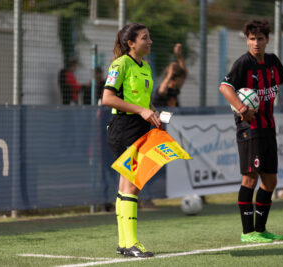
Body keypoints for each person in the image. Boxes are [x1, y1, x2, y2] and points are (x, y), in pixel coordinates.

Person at [218, 19, 283, 243]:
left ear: (267, 40)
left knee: (270, 182)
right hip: (250, 129)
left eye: (259, 39)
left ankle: (261, 229)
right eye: (251, 39)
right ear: (247, 40)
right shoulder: (243, 64)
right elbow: (224, 87)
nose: (255, 43)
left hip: (268, 128)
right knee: (250, 179)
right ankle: (248, 233)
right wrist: (241, 108)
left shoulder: (272, 61)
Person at [102, 23, 161, 257]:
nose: (150, 41)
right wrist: (140, 110)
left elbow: (143, 102)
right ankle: (131, 244)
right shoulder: (120, 64)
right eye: (145, 38)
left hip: (140, 127)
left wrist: (152, 111)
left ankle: (124, 243)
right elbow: (107, 98)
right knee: (132, 185)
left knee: (126, 185)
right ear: (131, 43)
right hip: (123, 128)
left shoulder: (145, 66)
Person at [152, 43, 187, 107]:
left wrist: (179, 56)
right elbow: (162, 91)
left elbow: (184, 74)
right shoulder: (165, 89)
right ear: (174, 79)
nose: (183, 80)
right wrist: (170, 74)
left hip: (173, 116)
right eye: (181, 78)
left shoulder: (174, 90)